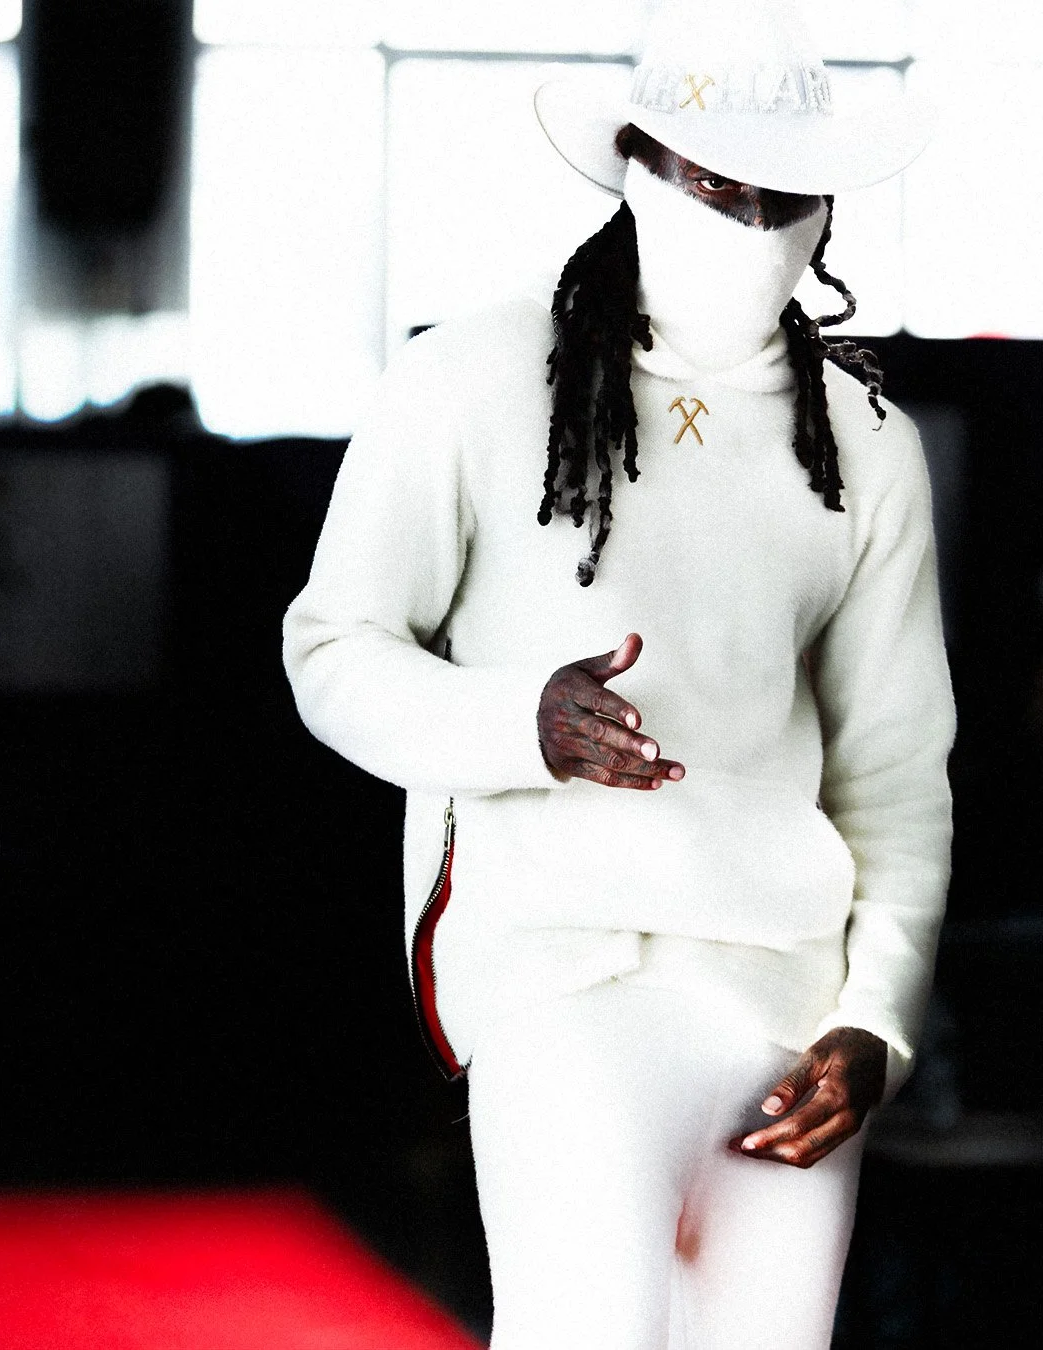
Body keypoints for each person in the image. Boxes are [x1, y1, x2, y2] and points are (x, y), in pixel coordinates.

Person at [283, 2, 956, 1345]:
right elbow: (332, 650)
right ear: (637, 165)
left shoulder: (864, 441)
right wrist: (518, 721)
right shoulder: (469, 379)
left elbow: (895, 771)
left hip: (789, 1010)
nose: (753, 224)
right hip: (561, 984)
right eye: (717, 183)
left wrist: (875, 1019)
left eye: (785, 197)